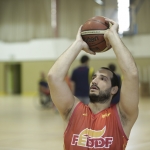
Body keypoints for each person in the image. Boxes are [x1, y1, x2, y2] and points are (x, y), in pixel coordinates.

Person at [47, 18, 139, 150]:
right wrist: (78, 44)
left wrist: (113, 36)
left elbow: (132, 74)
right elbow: (54, 77)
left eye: (103, 79)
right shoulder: (72, 111)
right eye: (94, 77)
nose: (95, 81)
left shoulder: (123, 116)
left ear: (114, 89)